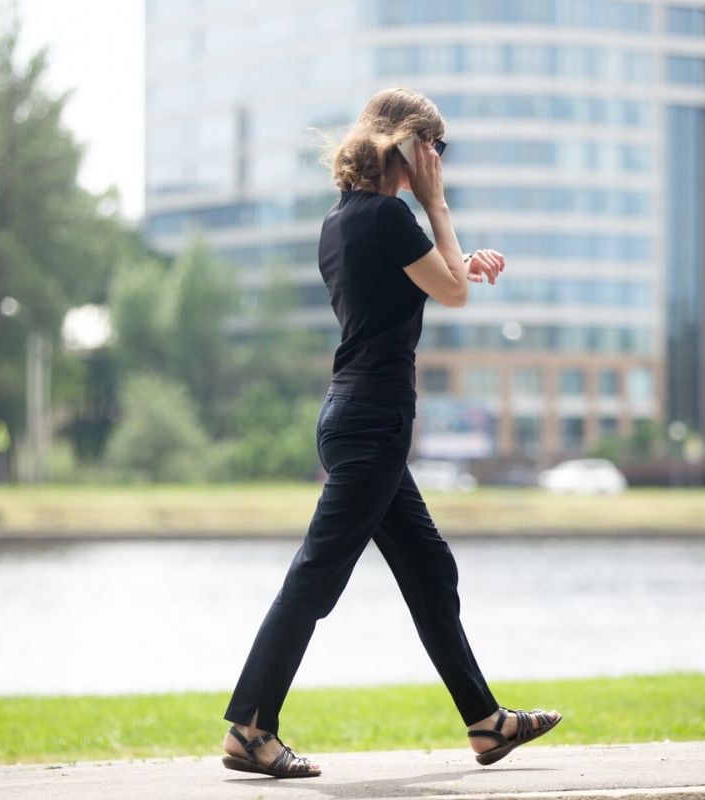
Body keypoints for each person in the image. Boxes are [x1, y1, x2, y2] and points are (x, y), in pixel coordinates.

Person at [220, 86, 562, 779]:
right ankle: (251, 729)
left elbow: (419, 284)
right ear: (409, 145)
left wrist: (461, 262)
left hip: (352, 416)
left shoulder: (344, 220)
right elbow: (452, 294)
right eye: (436, 146)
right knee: (315, 577)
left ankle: (486, 723)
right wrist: (439, 209)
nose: (439, 160)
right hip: (375, 422)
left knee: (430, 568)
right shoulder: (395, 214)